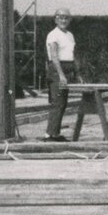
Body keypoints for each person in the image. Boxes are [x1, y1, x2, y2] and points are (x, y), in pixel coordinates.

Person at [43, 10, 76, 140]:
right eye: (61, 18)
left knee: (63, 102)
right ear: (56, 20)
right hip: (57, 70)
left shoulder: (70, 35)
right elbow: (54, 57)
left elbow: (72, 55)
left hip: (68, 69)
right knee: (57, 102)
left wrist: (76, 73)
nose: (63, 21)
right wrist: (61, 75)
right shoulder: (53, 35)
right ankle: (49, 134)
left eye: (66, 18)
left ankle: (55, 133)